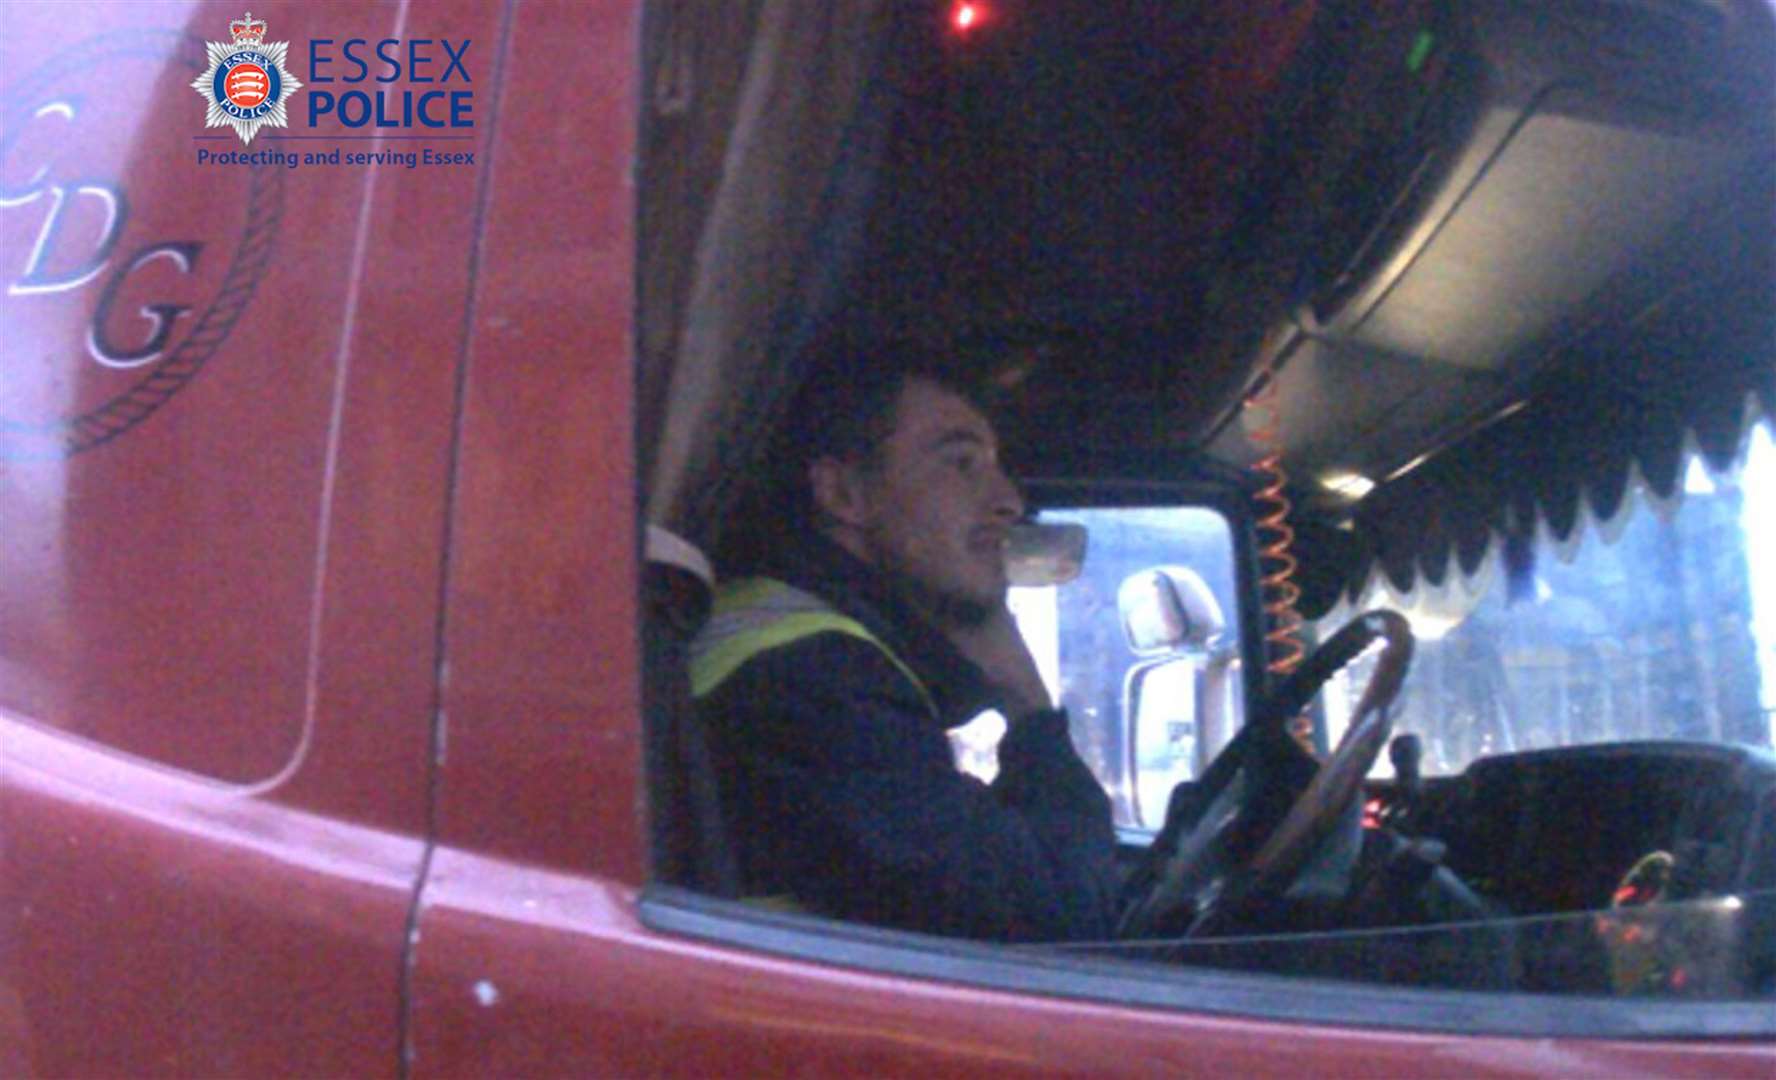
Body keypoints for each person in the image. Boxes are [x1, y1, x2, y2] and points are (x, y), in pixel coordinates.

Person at [690, 354, 1118, 942]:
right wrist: (1028, 706)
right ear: (844, 494)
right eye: (961, 463)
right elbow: (1061, 917)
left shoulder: (804, 640)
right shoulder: (808, 678)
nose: (1008, 501)